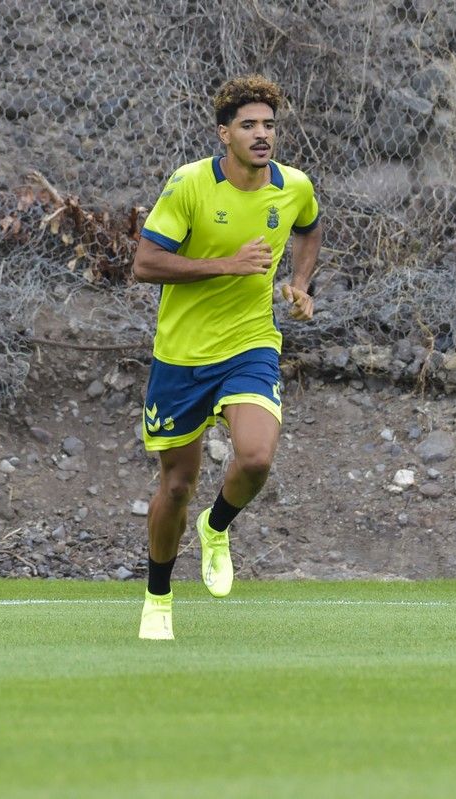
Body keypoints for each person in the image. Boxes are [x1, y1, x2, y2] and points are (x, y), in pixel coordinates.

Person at [131, 75, 321, 640]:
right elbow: (144, 264)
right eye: (249, 126)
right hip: (182, 355)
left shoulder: (294, 186)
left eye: (269, 125)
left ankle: (217, 529)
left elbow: (308, 229)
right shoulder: (189, 185)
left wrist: (301, 283)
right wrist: (227, 264)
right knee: (177, 484)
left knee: (257, 458)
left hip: (250, 343)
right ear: (225, 134)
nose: (262, 135)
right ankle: (158, 600)